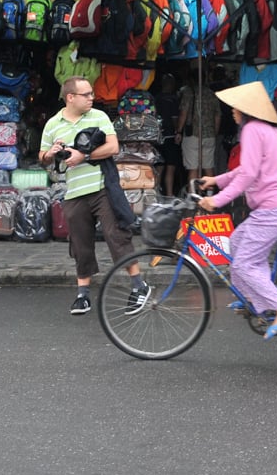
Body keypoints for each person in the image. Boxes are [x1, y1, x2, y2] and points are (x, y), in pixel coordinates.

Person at [197, 81, 277, 339]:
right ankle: (253, 299)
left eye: (235, 107)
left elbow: (248, 173)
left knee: (246, 263)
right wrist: (218, 180)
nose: (232, 111)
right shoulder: (265, 130)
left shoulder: (252, 131)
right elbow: (245, 169)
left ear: (245, 110)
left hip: (274, 209)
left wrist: (218, 200)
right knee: (236, 241)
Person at [41, 76, 146, 316]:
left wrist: (84, 156)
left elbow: (113, 147)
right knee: (80, 243)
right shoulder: (52, 124)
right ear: (70, 97)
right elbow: (42, 156)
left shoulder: (99, 116)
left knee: (116, 234)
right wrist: (51, 153)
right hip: (74, 190)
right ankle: (83, 295)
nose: (92, 97)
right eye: (86, 94)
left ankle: (139, 286)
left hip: (102, 187)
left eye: (91, 94)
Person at [177, 75, 221, 181]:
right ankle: (210, 194)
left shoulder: (188, 92)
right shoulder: (212, 94)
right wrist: (214, 133)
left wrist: (178, 131)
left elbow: (183, 113)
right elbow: (218, 115)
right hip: (209, 135)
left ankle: (192, 195)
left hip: (193, 134)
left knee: (193, 168)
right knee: (209, 167)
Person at [153, 73, 184, 196]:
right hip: (171, 136)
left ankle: (155, 193)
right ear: (172, 84)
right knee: (170, 167)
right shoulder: (174, 99)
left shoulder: (155, 98)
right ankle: (170, 195)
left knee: (159, 167)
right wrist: (178, 131)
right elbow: (175, 118)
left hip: (158, 137)